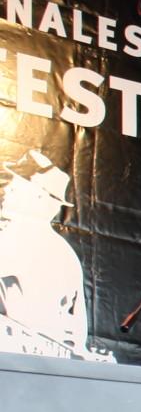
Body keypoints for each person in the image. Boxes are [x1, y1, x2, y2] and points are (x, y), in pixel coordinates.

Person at [0, 148, 88, 355]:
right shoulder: (64, 252)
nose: (7, 190)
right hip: (41, 365)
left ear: (38, 197)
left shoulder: (21, 239)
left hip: (16, 361)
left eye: (16, 185)